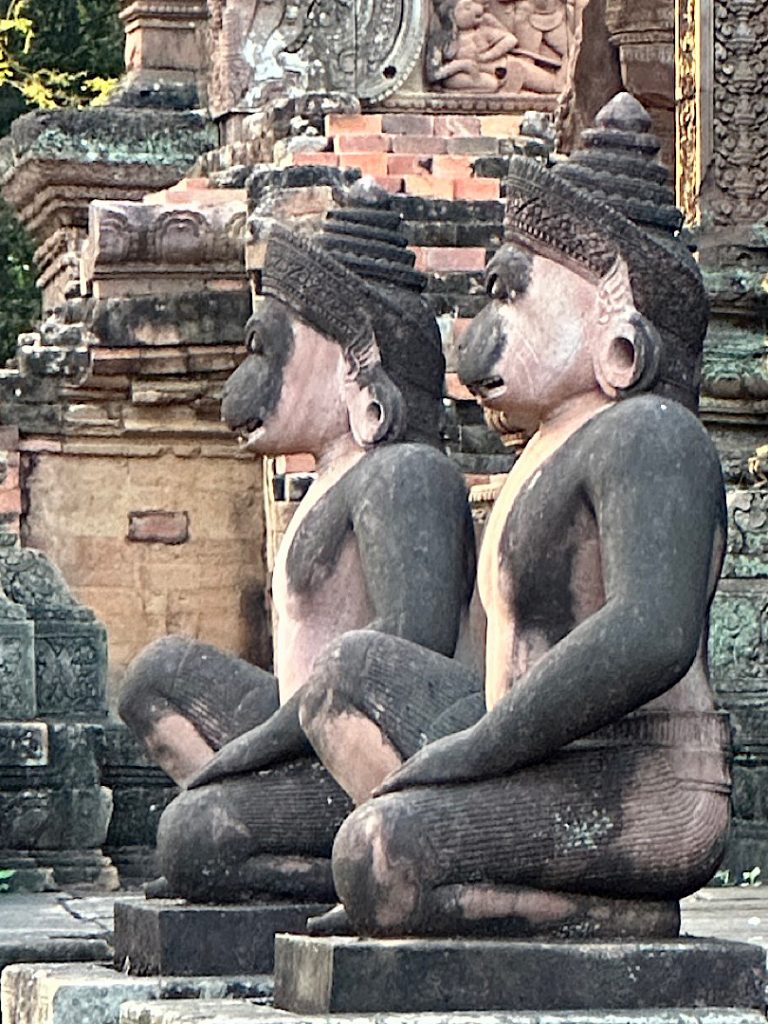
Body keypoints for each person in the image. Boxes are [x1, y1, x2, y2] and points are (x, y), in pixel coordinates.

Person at [301, 94, 731, 939]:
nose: (484, 326)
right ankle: (436, 879)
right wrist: (474, 742)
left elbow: (653, 632)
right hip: (538, 752)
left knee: (378, 853)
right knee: (342, 675)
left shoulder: (652, 434)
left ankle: (605, 911)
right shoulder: (546, 452)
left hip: (641, 785)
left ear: (617, 329)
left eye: (512, 294)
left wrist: (474, 752)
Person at [119, 188, 477, 902]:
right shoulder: (336, 480)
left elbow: (398, 662)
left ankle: (364, 869)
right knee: (153, 677)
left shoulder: (406, 473)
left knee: (195, 834)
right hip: (300, 731)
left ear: (351, 359)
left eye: (265, 348)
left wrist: (247, 758)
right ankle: (301, 851)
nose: (245, 382)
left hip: (367, 753)